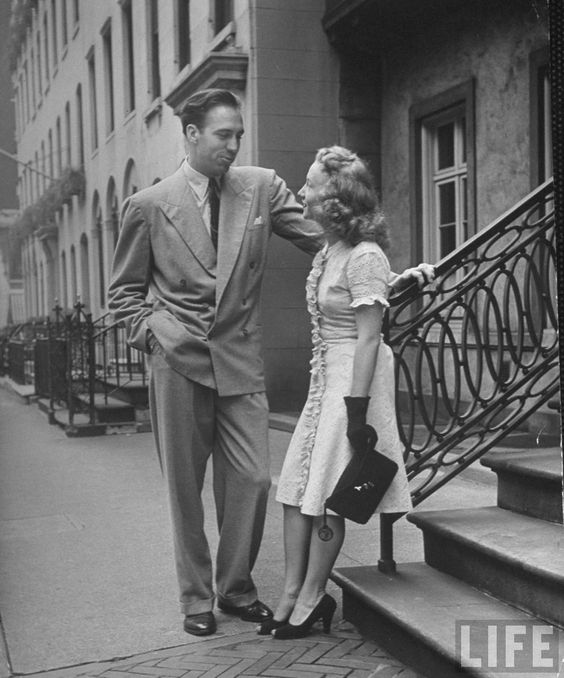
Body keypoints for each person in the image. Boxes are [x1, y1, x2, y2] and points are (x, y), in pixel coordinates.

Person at [107, 88, 324, 636]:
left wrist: (377, 267)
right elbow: (123, 297)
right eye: (223, 135)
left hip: (240, 355)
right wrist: (155, 337)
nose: (234, 145)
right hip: (177, 361)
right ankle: (196, 598)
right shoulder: (150, 205)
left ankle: (234, 589)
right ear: (192, 134)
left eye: (239, 135)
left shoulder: (262, 187)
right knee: (186, 488)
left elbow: (323, 242)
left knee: (252, 477)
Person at [261, 146, 434, 640]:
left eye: (311, 185)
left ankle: (314, 595)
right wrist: (402, 282)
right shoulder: (333, 251)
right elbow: (364, 299)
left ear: (336, 198)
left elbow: (368, 335)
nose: (301, 192)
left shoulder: (364, 255)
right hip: (326, 380)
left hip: (353, 382)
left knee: (329, 496)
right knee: (295, 488)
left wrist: (357, 414)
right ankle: (292, 592)